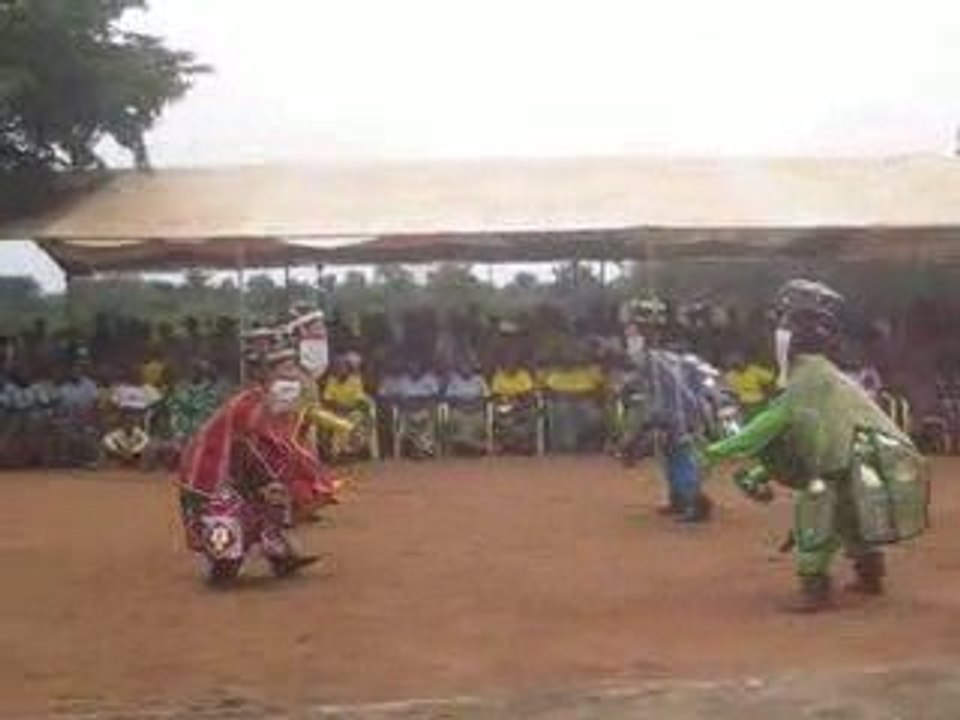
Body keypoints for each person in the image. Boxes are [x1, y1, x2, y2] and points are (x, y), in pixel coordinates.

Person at [703, 279, 930, 612]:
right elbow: (797, 436)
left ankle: (816, 587)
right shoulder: (822, 374)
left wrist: (716, 450)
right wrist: (759, 471)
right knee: (853, 516)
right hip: (864, 457)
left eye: (785, 322)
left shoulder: (809, 377)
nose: (779, 331)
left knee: (817, 511)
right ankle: (870, 574)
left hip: (843, 459)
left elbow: (771, 423)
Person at [178, 338, 334, 586]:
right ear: (265, 373)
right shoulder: (249, 405)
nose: (291, 372)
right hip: (210, 477)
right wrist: (312, 480)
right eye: (283, 367)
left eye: (291, 365)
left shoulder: (259, 401)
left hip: (235, 473)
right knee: (260, 499)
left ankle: (278, 553)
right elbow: (270, 449)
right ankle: (230, 559)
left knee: (273, 490)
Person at [622, 299, 726, 523]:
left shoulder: (655, 359)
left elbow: (639, 356)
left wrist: (635, 329)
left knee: (679, 456)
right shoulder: (676, 358)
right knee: (669, 455)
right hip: (683, 411)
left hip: (678, 413)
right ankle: (679, 499)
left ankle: (696, 502)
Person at [541, 348, 606, 453]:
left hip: (585, 402)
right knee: (565, 410)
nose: (570, 362)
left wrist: (584, 396)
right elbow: (549, 392)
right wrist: (570, 396)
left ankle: (590, 445)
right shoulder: (555, 374)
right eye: (567, 359)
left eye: (573, 359)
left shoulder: (588, 372)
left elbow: (599, 388)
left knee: (594, 415)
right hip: (562, 403)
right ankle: (568, 446)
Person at [321, 354, 375, 460]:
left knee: (353, 419)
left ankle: (350, 451)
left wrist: (347, 409)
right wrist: (338, 408)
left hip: (353, 410)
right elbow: (327, 400)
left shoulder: (355, 380)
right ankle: (336, 453)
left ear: (348, 368)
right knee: (333, 420)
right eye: (337, 367)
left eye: (342, 367)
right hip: (337, 410)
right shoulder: (331, 380)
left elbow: (359, 401)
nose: (339, 369)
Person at [490, 355, 540, 455]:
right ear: (504, 365)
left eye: (513, 364)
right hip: (504, 405)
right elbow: (495, 395)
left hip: (522, 405)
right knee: (502, 417)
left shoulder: (524, 375)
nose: (510, 366)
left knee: (530, 414)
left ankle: (523, 446)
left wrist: (517, 401)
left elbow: (529, 394)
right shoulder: (499, 376)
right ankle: (506, 446)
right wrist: (508, 401)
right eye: (508, 364)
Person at [394, 359, 441, 458]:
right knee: (407, 423)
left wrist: (420, 402)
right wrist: (412, 402)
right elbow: (398, 399)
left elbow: (435, 397)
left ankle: (423, 450)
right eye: (412, 367)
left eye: (417, 367)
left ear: (422, 369)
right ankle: (417, 450)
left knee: (428, 419)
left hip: (426, 410)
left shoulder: (429, 379)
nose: (414, 370)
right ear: (408, 369)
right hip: (408, 411)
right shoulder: (403, 380)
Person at [443, 357, 490, 455]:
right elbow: (448, 398)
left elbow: (486, 397)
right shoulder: (454, 380)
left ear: (472, 368)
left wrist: (474, 405)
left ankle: (470, 445)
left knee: (478, 419)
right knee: (455, 417)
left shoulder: (479, 380)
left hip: (476, 409)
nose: (466, 369)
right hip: (459, 409)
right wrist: (461, 404)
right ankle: (465, 445)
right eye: (463, 367)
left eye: (468, 367)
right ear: (459, 368)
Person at [724, 352, 777, 418]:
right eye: (735, 364)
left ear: (745, 361)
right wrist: (736, 401)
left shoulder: (754, 370)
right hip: (744, 406)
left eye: (740, 362)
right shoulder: (729, 376)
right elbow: (731, 392)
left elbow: (771, 381)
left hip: (760, 402)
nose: (738, 365)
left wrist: (770, 396)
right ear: (732, 366)